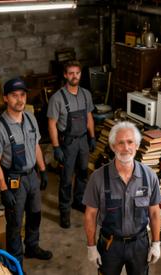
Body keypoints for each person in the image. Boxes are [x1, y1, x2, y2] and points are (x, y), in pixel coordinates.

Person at [0, 77, 53, 265]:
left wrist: (43, 169)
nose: (20, 100)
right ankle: (15, 262)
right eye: (14, 96)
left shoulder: (31, 118)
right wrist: (3, 189)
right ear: (5, 99)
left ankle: (32, 247)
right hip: (13, 181)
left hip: (32, 175)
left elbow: (36, 146)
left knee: (35, 214)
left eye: (22, 95)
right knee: (15, 223)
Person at [83, 122, 161, 275]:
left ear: (137, 145)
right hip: (110, 245)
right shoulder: (98, 178)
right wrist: (91, 246)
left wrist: (156, 243)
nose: (126, 148)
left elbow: (154, 212)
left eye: (130, 142)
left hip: (139, 244)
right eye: (120, 143)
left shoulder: (149, 176)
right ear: (113, 146)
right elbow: (90, 215)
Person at [47, 60, 95, 228]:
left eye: (77, 73)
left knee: (83, 174)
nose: (75, 76)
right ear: (65, 75)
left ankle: (78, 201)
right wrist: (56, 147)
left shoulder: (85, 94)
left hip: (83, 140)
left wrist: (92, 137)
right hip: (67, 142)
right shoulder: (57, 98)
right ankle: (64, 211)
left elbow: (89, 116)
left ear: (80, 74)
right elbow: (51, 124)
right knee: (66, 179)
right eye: (71, 73)